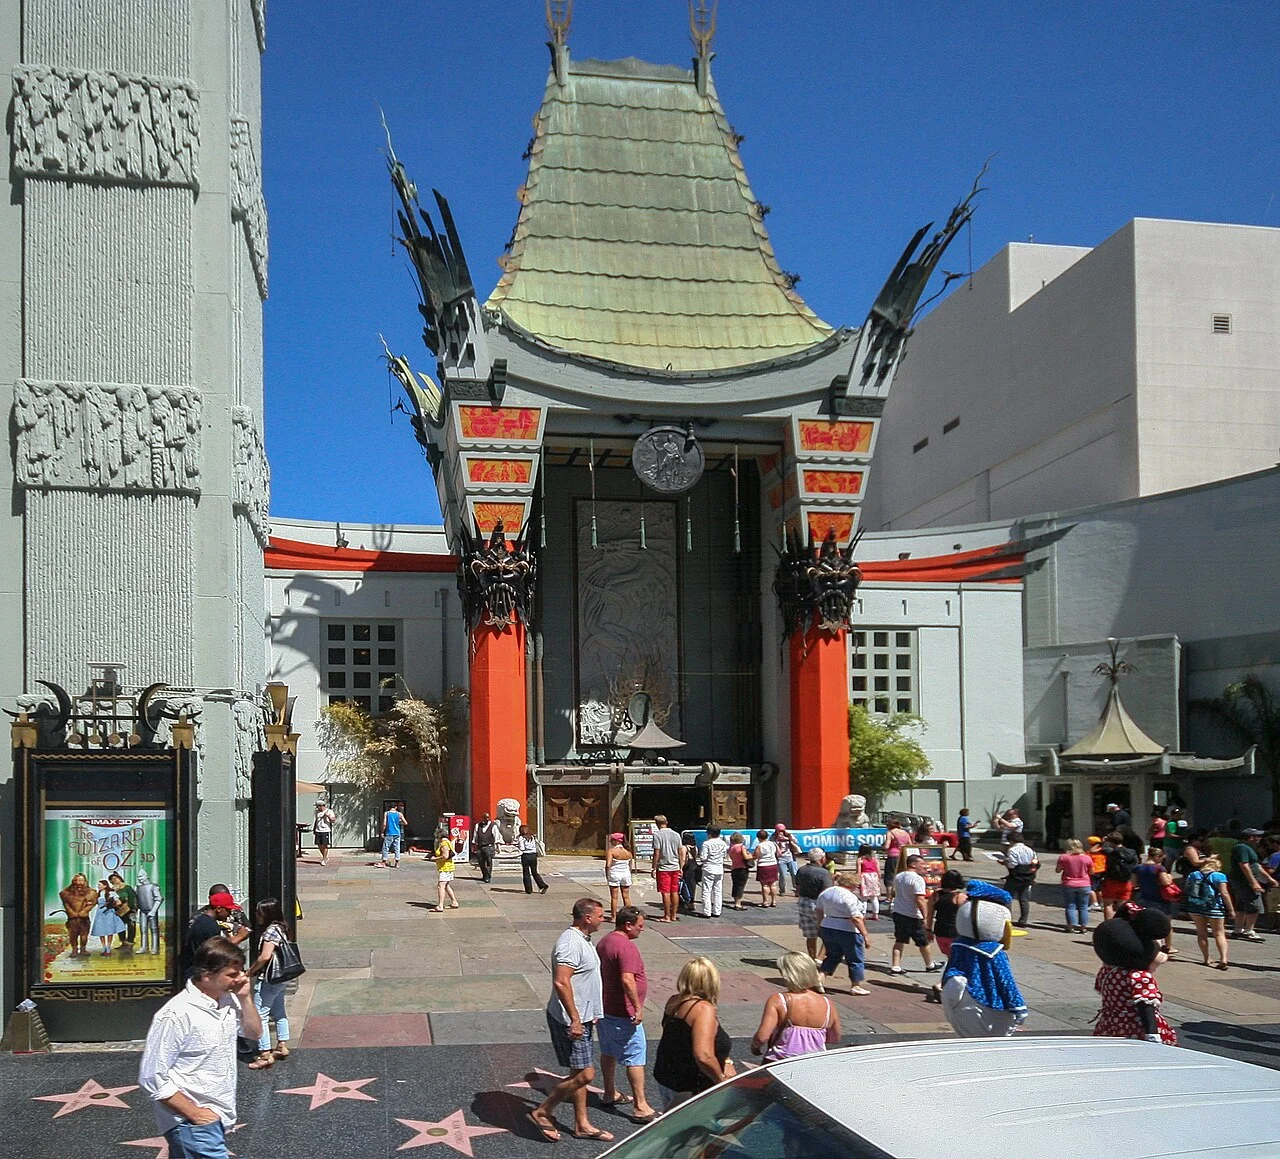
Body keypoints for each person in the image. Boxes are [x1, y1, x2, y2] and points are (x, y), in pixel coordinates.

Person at [138, 937, 263, 1159]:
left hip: (216, 1117)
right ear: (206, 975)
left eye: (241, 971)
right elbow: (151, 1078)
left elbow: (254, 1034)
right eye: (232, 975)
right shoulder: (176, 1015)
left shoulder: (228, 1000)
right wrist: (197, 1114)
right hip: (192, 1124)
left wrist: (245, 999)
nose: (241, 978)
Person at [528, 898, 612, 1144]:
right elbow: (561, 981)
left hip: (584, 1017)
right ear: (587, 917)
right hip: (571, 1020)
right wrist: (575, 1019)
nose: (603, 919)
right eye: (600, 915)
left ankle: (581, 1124)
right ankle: (542, 1111)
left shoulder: (583, 939)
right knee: (585, 1075)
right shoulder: (570, 943)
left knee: (578, 1072)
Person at [595, 906, 656, 1123]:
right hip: (623, 1013)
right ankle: (640, 1106)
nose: (642, 930)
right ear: (628, 925)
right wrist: (637, 1007)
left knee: (609, 1051)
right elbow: (627, 979)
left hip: (605, 1009)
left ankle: (609, 1092)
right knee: (635, 1057)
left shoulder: (605, 941)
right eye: (640, 926)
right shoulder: (626, 947)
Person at [652, 957, 735, 1111]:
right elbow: (703, 1055)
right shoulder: (703, 1009)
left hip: (668, 1080)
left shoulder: (674, 1001)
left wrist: (727, 1061)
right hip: (693, 1087)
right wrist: (721, 1081)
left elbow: (680, 1041)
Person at [1092, 908, 1177, 1045]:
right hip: (1135, 1026)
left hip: (1110, 1022)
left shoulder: (1107, 971)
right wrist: (1152, 1034)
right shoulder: (1139, 977)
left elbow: (1102, 989)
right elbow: (1146, 1007)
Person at [750, 951, 842, 1062]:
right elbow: (834, 1038)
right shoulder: (827, 1003)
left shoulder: (779, 1000)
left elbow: (762, 1037)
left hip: (780, 1061)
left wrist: (755, 1046)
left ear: (788, 975)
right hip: (814, 1063)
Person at [245, 898, 291, 1070]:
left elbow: (265, 956)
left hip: (269, 979)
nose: (257, 916)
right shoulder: (282, 928)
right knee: (279, 1011)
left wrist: (251, 970)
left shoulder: (271, 932)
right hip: (281, 979)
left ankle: (264, 1053)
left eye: (259, 913)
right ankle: (282, 1045)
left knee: (260, 1015)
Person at [814, 870, 873, 995]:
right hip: (847, 929)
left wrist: (820, 925)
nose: (857, 887)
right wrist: (865, 935)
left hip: (828, 926)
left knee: (832, 956)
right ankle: (855, 985)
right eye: (857, 885)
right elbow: (856, 918)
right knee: (855, 958)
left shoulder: (826, 892)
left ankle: (821, 978)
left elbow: (819, 910)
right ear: (851, 884)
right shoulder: (849, 896)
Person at [1184, 854, 1235, 969]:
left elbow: (1187, 889)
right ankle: (1223, 959)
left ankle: (1206, 958)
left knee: (1201, 933)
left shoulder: (1193, 875)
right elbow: (1224, 893)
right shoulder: (1219, 876)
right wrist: (1231, 910)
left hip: (1195, 907)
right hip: (1215, 907)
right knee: (1219, 933)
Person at [890, 855, 939, 974]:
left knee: (900, 940)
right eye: (922, 864)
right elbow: (920, 899)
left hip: (898, 912)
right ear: (913, 865)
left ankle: (895, 966)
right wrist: (925, 917)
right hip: (913, 915)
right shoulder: (917, 879)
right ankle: (929, 964)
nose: (924, 866)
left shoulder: (899, 876)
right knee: (923, 941)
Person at [925, 869, 967, 1003]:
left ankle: (952, 987)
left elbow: (929, 914)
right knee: (956, 962)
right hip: (955, 934)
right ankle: (941, 985)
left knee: (952, 960)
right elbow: (966, 917)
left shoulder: (936, 895)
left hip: (940, 932)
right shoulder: (960, 897)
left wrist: (928, 930)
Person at [1230, 828, 1276, 940]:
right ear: (1251, 838)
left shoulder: (1248, 848)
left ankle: (1238, 929)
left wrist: (1269, 879)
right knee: (1254, 905)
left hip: (1243, 881)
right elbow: (1244, 865)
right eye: (1257, 836)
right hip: (1244, 881)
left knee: (1241, 905)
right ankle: (1248, 931)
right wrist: (1254, 882)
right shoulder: (1242, 848)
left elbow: (1256, 865)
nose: (1259, 839)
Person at [180, 892, 237, 981]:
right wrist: (239, 937)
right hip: (201, 976)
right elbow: (216, 953)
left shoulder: (202, 921)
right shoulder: (209, 926)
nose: (229, 914)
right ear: (219, 909)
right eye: (228, 910)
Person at [795, 849, 833, 960]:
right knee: (828, 932)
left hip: (803, 902)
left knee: (810, 934)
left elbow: (797, 889)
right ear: (822, 858)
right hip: (818, 904)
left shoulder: (802, 870)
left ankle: (812, 958)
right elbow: (827, 892)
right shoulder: (824, 873)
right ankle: (820, 959)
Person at [650, 815, 685, 924]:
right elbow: (680, 852)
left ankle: (667, 915)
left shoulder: (657, 835)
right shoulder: (676, 834)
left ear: (657, 824)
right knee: (674, 891)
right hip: (675, 866)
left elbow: (657, 852)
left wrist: (653, 867)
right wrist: (681, 866)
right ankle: (674, 915)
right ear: (667, 822)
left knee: (665, 892)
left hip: (663, 866)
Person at [1056, 838, 1094, 933]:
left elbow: (1058, 870)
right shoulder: (1087, 857)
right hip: (1084, 884)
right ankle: (1083, 927)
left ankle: (1071, 926)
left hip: (1069, 884)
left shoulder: (1064, 857)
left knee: (1070, 905)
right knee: (1083, 906)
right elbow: (1092, 872)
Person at [1002, 832, 1039, 927]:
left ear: (1011, 841)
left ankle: (1007, 919)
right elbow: (1035, 862)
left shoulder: (1012, 850)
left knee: (1008, 897)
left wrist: (1004, 863)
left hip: (1015, 877)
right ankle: (1023, 920)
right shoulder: (1030, 850)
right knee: (1024, 899)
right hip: (1028, 877)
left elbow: (1012, 865)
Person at [1100, 835, 1139, 919]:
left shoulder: (1110, 852)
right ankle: (1120, 923)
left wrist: (1103, 841)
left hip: (1111, 880)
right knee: (1122, 906)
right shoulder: (1132, 852)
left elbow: (1101, 849)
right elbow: (1135, 865)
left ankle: (1109, 925)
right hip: (1126, 881)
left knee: (1108, 904)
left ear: (1110, 842)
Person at [59, 872, 95, 958]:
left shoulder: (90, 892)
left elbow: (92, 903)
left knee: (84, 935)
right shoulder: (68, 892)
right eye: (77, 880)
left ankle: (83, 949)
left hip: (84, 918)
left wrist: (84, 911)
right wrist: (71, 912)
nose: (79, 882)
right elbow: (65, 901)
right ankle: (74, 950)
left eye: (81, 880)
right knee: (73, 935)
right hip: (72, 919)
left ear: (85, 881)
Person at [697, 826, 728, 917]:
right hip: (719, 868)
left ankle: (707, 912)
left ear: (710, 834)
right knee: (718, 891)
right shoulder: (723, 843)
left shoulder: (707, 843)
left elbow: (703, 857)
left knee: (706, 890)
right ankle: (717, 911)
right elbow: (724, 855)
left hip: (709, 868)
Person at [91, 878, 127, 955]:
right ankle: (103, 947)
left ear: (105, 885)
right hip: (100, 913)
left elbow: (119, 902)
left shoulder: (111, 893)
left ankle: (108, 947)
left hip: (109, 913)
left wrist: (112, 905)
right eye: (98, 885)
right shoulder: (98, 894)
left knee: (109, 930)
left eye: (100, 885)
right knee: (101, 930)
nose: (98, 886)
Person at [603, 832, 633, 916]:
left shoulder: (611, 851)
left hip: (615, 873)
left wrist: (607, 874)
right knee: (626, 896)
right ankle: (629, 915)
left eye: (612, 840)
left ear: (616, 841)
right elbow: (630, 865)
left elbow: (608, 865)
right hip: (625, 874)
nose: (610, 842)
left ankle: (613, 916)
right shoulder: (628, 851)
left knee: (614, 897)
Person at [109, 872, 139, 951]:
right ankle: (123, 942)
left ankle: (130, 943)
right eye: (112, 880)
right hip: (119, 911)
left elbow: (133, 898)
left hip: (129, 909)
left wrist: (134, 908)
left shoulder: (127, 887)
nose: (114, 880)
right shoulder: (113, 889)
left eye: (115, 878)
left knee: (131, 925)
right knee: (120, 927)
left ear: (119, 878)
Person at [517, 825, 549, 895]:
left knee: (526, 873)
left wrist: (518, 846)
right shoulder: (532, 836)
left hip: (526, 856)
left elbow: (522, 848)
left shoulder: (521, 838)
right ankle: (543, 885)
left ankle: (528, 889)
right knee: (534, 872)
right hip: (533, 856)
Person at [433, 831, 460, 911]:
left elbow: (445, 856)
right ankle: (454, 902)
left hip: (445, 868)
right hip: (448, 867)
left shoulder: (444, 844)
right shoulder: (447, 842)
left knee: (440, 886)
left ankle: (440, 906)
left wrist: (435, 858)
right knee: (446, 885)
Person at [753, 828, 780, 907]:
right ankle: (774, 901)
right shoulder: (773, 843)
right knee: (773, 884)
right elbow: (778, 853)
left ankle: (765, 902)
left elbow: (756, 856)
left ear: (758, 837)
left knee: (765, 885)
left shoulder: (759, 846)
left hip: (763, 865)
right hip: (773, 864)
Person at [471, 811, 499, 883]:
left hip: (489, 846)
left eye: (488, 817)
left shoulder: (493, 826)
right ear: (482, 818)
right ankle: (484, 874)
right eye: (485, 817)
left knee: (489, 862)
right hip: (480, 846)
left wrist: (497, 846)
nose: (487, 819)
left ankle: (488, 875)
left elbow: (496, 836)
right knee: (481, 862)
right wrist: (474, 844)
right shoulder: (478, 825)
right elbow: (475, 835)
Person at [727, 832, 752, 910]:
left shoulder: (731, 848)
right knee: (741, 886)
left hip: (734, 868)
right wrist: (752, 856)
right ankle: (738, 904)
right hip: (742, 868)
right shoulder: (742, 847)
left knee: (735, 885)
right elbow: (745, 857)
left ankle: (735, 901)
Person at [377, 801, 406, 868]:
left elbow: (384, 824)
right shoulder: (399, 814)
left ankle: (384, 862)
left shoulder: (386, 813)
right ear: (396, 807)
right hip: (397, 833)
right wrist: (399, 822)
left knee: (385, 848)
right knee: (397, 848)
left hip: (389, 832)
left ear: (389, 807)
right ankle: (397, 863)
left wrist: (382, 832)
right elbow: (405, 822)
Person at [773, 824, 799, 895]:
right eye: (779, 830)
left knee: (794, 873)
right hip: (781, 859)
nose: (781, 832)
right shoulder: (773, 837)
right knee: (783, 875)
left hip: (790, 857)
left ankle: (797, 889)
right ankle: (782, 890)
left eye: (782, 830)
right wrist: (777, 840)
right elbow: (771, 844)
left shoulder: (789, 835)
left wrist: (788, 838)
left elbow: (796, 841)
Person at [857, 845, 882, 919]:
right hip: (874, 877)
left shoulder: (860, 860)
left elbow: (858, 872)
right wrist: (878, 879)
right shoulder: (875, 860)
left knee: (864, 898)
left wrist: (858, 880)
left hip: (864, 877)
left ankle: (863, 914)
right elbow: (879, 871)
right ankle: (876, 914)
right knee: (874, 897)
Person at [679, 831, 701, 915]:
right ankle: (691, 902)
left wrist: (680, 868)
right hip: (694, 866)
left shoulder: (684, 847)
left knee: (686, 885)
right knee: (692, 885)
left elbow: (683, 859)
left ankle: (686, 901)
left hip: (687, 868)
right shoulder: (695, 847)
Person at [883, 816, 911, 883]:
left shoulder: (890, 833)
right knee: (902, 876)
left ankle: (889, 893)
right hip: (903, 856)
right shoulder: (905, 833)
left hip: (893, 856)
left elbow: (887, 846)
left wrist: (883, 847)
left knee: (890, 878)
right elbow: (910, 845)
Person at [1086, 835, 1108, 913]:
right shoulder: (1103, 851)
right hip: (1103, 871)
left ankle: (1094, 904)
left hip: (1094, 871)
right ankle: (1102, 903)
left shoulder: (1090, 852)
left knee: (1091, 888)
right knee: (1099, 888)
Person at [313, 797, 336, 866]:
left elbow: (333, 820)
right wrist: (314, 829)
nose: (317, 808)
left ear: (321, 806)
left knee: (325, 845)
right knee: (319, 844)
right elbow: (316, 821)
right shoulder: (317, 812)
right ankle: (325, 856)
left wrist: (328, 816)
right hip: (318, 830)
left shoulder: (329, 811)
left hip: (325, 830)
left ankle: (324, 858)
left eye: (318, 806)